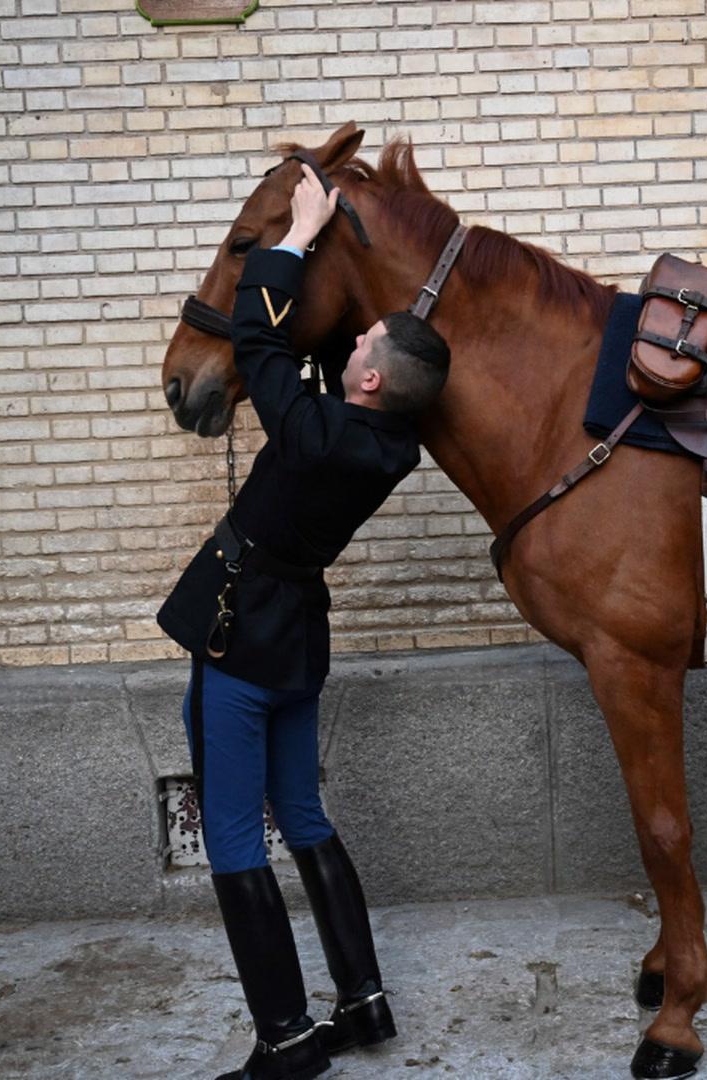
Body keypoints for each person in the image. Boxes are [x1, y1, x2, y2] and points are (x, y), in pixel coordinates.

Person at [157, 164, 452, 1080]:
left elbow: (260, 341)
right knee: (307, 817)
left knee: (239, 839)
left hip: (240, 635)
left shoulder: (315, 429)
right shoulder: (384, 441)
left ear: (368, 374)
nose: (356, 334)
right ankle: (363, 1003)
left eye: (363, 337)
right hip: (296, 642)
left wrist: (292, 239)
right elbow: (309, 367)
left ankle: (285, 1040)